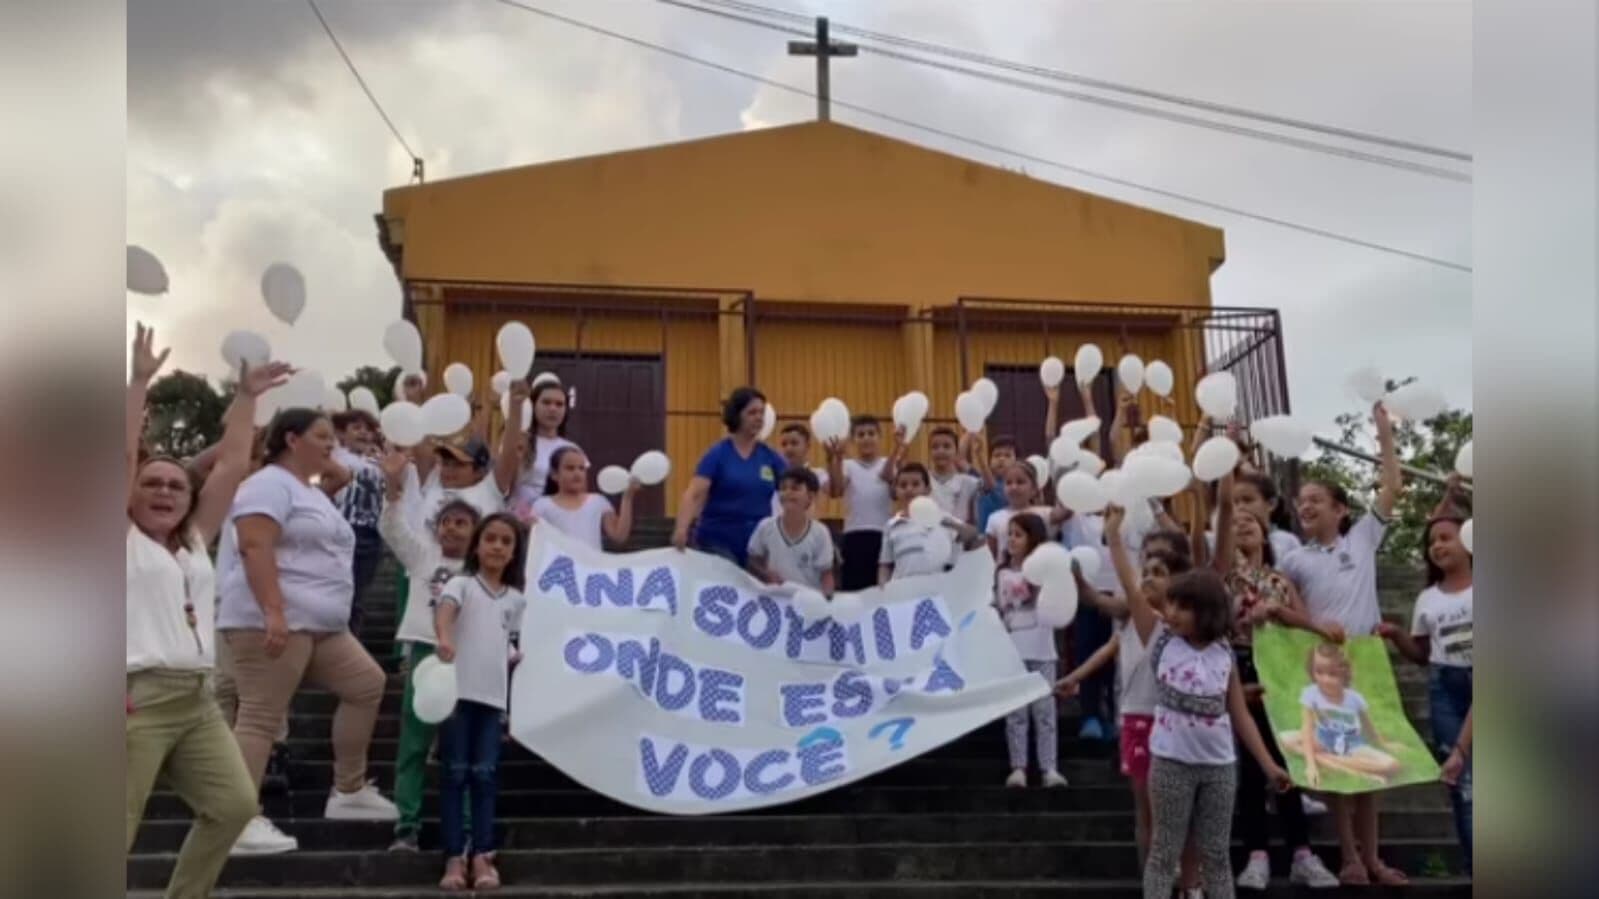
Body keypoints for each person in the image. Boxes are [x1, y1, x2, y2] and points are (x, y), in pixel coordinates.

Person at [126, 324, 290, 890]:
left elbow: (232, 465)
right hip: (137, 698)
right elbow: (120, 454)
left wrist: (245, 397)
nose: (165, 491)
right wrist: (139, 383)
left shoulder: (194, 541)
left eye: (176, 485)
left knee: (234, 806)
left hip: (196, 698)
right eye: (151, 483)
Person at [217, 407, 399, 850]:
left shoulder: (308, 490)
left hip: (321, 625)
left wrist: (329, 465)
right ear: (291, 440)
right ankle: (236, 820)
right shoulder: (267, 484)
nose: (331, 444)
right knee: (260, 716)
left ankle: (349, 790)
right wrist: (273, 611)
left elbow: (339, 480)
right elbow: (254, 545)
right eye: (321, 436)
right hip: (275, 620)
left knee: (366, 684)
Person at [1120, 500, 1293, 899]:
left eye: (1185, 606)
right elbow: (1132, 589)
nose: (1174, 612)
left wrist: (1269, 765)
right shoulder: (1161, 639)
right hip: (1171, 761)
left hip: (1218, 765)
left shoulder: (1223, 653)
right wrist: (1115, 537)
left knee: (1216, 854)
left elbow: (1240, 715)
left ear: (1208, 610)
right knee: (1164, 850)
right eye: (1173, 604)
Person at [1279, 400, 1406, 886]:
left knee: (1373, 763)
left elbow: (1392, 486)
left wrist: (1383, 431)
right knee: (1338, 763)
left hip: (1367, 662)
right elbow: (1283, 610)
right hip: (1325, 668)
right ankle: (1349, 857)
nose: (1306, 506)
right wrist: (1312, 626)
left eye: (1316, 499)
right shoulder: (1294, 560)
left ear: (1341, 510)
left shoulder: (1363, 540)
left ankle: (1374, 858)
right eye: (1301, 501)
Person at [1059, 515, 1198, 890]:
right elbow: (1106, 651)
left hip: (1172, 722)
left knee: (1175, 809)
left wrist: (1114, 537)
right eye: (1146, 571)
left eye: (1159, 573)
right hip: (1136, 720)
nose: (1148, 578)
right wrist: (1074, 677)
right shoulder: (1132, 623)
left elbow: (1132, 587)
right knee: (1145, 809)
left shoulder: (1167, 625)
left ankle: (1185, 877)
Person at [1216, 478, 1343, 890]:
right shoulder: (1223, 578)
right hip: (1240, 669)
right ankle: (1257, 854)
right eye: (1236, 522)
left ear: (1266, 532)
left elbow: (1304, 622)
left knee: (1285, 757)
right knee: (1253, 765)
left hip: (1280, 671)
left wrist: (1280, 613)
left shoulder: (1280, 579)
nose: (1244, 525)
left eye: (1251, 521)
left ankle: (1303, 854)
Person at [377, 447, 483, 853]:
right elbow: (391, 527)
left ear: (476, 532)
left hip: (466, 661)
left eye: (462, 523)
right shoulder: (423, 557)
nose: (452, 529)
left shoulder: (483, 572)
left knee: (461, 749)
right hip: (425, 655)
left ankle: (467, 830)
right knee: (414, 744)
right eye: (446, 522)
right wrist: (392, 487)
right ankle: (407, 826)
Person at [434, 514, 529, 891]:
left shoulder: (516, 600)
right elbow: (445, 612)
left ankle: (483, 855)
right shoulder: (461, 584)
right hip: (457, 696)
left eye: (506, 541)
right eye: (490, 538)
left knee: (485, 775)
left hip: (492, 700)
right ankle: (454, 857)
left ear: (514, 552)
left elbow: (510, 643)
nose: (497, 547)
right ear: (477, 545)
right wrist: (445, 638)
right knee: (455, 774)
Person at [1378, 513, 1473, 872]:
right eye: (1432, 541)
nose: (1437, 546)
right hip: (1445, 687)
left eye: (1446, 537)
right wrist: (1396, 634)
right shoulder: (1427, 598)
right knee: (1464, 786)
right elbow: (1421, 654)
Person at [995, 513, 1068, 789]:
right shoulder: (1002, 572)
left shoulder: (1045, 574)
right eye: (1010, 534)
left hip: (1042, 649)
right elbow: (1001, 608)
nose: (1012, 540)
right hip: (1013, 650)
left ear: (1033, 538)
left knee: (1044, 711)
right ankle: (1019, 767)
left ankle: (1049, 767)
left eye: (1019, 534)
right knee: (1016, 713)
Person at [673, 387, 786, 565]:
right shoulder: (718, 454)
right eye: (752, 413)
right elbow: (694, 493)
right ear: (737, 415)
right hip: (718, 542)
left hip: (757, 546)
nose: (759, 417)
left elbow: (793, 490)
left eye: (761, 413)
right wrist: (681, 529)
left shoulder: (770, 457)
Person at [1280, 643, 1404, 786]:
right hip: (1322, 740)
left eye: (1332, 674)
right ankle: (1358, 772)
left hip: (1352, 745)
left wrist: (1383, 743)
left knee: (1392, 765)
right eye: (1319, 672)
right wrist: (1311, 765)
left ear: (1344, 674)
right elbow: (1306, 729)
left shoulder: (1354, 698)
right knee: (1283, 738)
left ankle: (1328, 761)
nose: (1325, 679)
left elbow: (1368, 726)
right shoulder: (1311, 693)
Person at [826, 415, 904, 591]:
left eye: (871, 433)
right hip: (854, 535)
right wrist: (836, 459)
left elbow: (893, 491)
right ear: (853, 440)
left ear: (879, 437)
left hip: (883, 534)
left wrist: (897, 448)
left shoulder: (888, 463)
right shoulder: (847, 465)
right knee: (855, 589)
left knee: (882, 589)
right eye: (861, 435)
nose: (866, 438)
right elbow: (837, 490)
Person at [877, 463, 981, 584]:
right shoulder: (892, 525)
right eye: (903, 485)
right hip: (903, 589)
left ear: (927, 489)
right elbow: (885, 565)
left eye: (915, 484)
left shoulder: (943, 518)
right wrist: (884, 590)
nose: (909, 489)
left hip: (937, 588)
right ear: (896, 490)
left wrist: (953, 525)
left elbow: (973, 534)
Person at [330, 410, 385, 636]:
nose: (363, 433)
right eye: (356, 428)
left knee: (358, 595)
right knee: (338, 589)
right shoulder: (336, 456)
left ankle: (351, 639)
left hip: (371, 533)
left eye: (368, 429)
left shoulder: (379, 462)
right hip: (343, 528)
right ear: (342, 434)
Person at [527, 445, 638, 551]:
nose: (577, 473)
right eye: (570, 468)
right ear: (554, 474)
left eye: (581, 468)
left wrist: (627, 498)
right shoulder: (542, 505)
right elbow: (534, 540)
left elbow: (619, 536)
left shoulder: (598, 502)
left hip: (591, 563)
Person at [747, 468, 836, 593]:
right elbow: (752, 561)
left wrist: (827, 599)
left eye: (795, 488)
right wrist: (765, 574)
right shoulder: (765, 526)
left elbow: (826, 574)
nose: (787, 492)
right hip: (775, 598)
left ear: (810, 497)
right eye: (783, 488)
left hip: (807, 599)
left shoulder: (820, 532)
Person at [511, 379, 576, 518]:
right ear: (533, 405)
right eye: (546, 402)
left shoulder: (572, 449)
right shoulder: (520, 442)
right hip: (520, 518)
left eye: (559, 404)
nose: (553, 409)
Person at [983, 462, 1064, 562]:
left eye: (1020, 482)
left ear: (1034, 489)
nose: (1014, 487)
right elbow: (993, 555)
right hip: (1007, 571)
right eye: (1008, 483)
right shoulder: (995, 518)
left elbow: (1066, 511)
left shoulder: (1046, 513)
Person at [771, 423, 828, 516]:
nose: (788, 448)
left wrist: (834, 459)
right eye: (784, 444)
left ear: (807, 446)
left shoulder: (818, 474)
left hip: (806, 524)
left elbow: (835, 490)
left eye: (794, 443)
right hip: (775, 524)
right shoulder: (773, 475)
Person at [926, 426, 980, 524]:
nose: (940, 451)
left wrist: (980, 455)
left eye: (946, 446)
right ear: (930, 451)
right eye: (935, 447)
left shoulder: (968, 482)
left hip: (958, 532)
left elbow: (990, 487)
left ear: (956, 450)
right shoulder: (923, 479)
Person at [972, 434, 1019, 534]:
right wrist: (970, 433)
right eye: (997, 455)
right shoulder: (980, 480)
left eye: (1007, 455)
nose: (1001, 459)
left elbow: (993, 487)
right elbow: (961, 461)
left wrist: (979, 456)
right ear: (990, 461)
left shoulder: (1014, 487)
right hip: (983, 538)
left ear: (1017, 462)